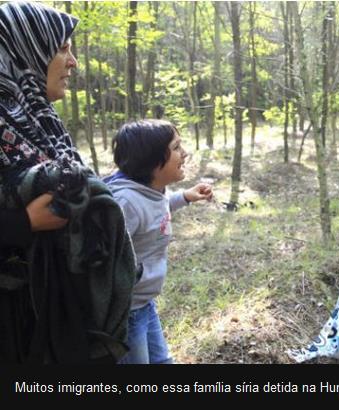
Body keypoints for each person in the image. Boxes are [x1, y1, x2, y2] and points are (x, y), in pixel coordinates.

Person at [1, 1, 136, 364]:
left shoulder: (40, 121)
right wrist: (22, 224)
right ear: (22, 50)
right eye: (62, 48)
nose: (73, 62)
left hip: (54, 313)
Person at [106, 120, 213, 364]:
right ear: (152, 160)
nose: (184, 154)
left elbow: (155, 210)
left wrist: (185, 197)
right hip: (125, 314)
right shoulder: (125, 203)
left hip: (143, 303)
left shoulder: (151, 189)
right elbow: (103, 260)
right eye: (176, 148)